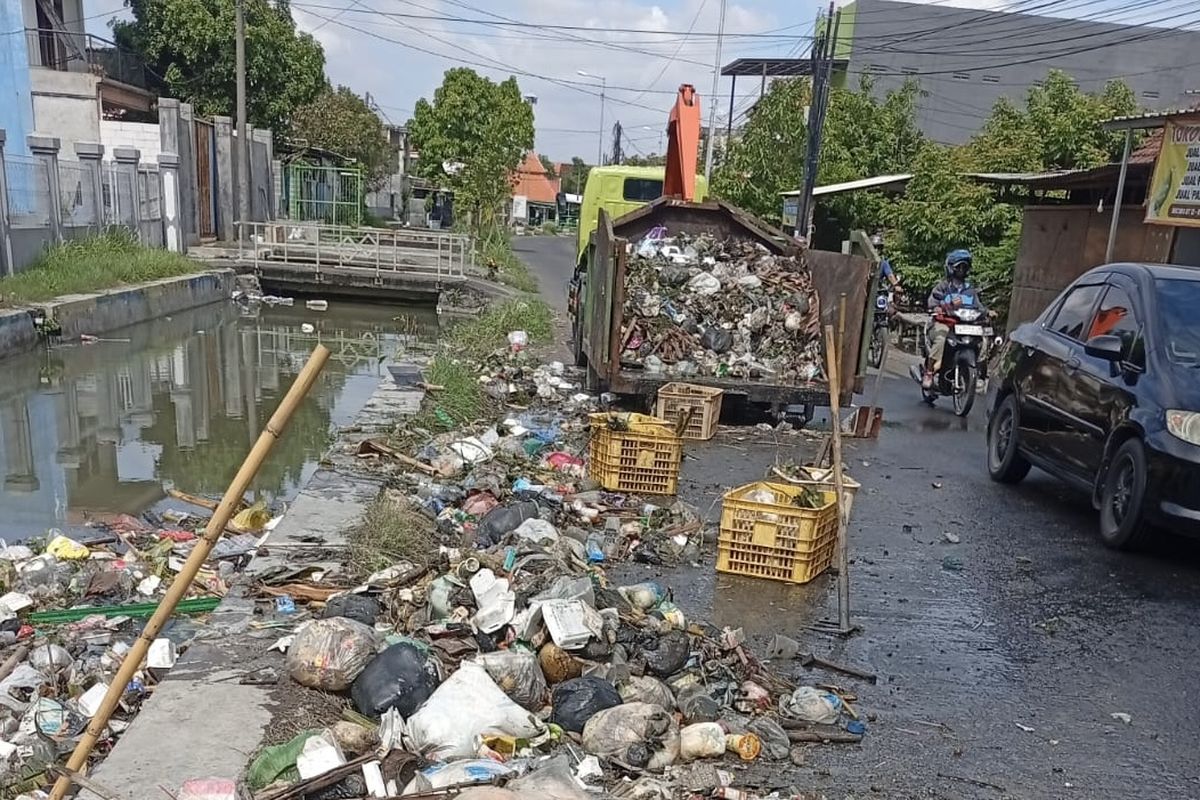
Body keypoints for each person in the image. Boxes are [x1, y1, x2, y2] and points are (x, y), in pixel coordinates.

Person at [923, 248, 981, 389]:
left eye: (964, 267)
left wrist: (988, 312)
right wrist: (940, 308)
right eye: (958, 267)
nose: (961, 270)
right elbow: (932, 303)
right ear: (950, 268)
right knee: (941, 338)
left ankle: (980, 372)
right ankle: (929, 372)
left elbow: (979, 306)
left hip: (963, 326)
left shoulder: (970, 290)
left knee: (982, 339)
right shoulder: (943, 287)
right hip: (943, 324)